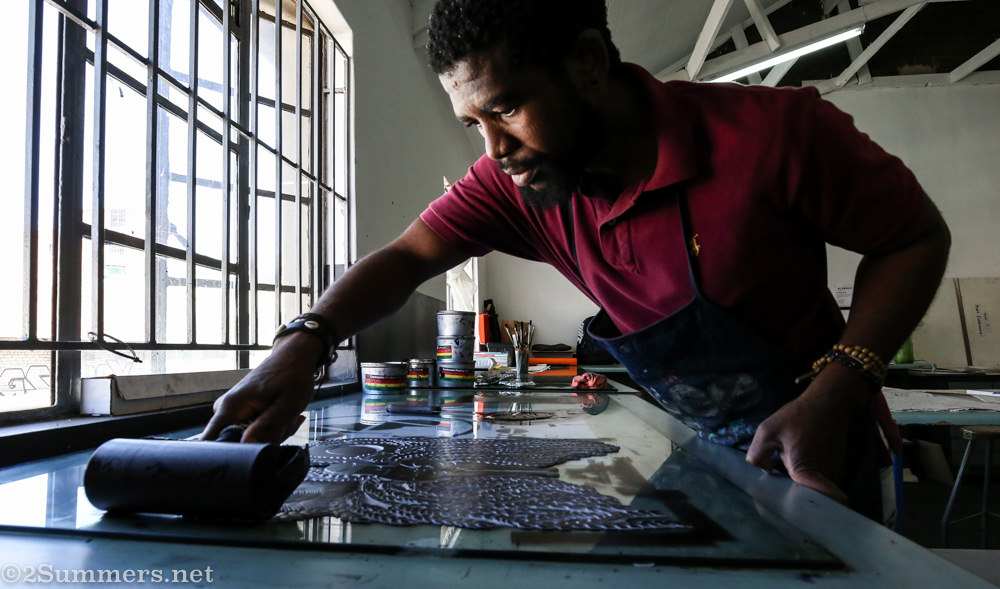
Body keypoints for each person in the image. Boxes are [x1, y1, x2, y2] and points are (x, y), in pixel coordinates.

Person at [203, 0, 950, 520]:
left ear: (588, 62)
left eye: (505, 108)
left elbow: (914, 236)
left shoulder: (775, 136)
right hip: (688, 446)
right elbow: (405, 257)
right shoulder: (519, 180)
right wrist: (304, 339)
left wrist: (845, 380)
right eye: (473, 122)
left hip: (817, 437)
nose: (493, 149)